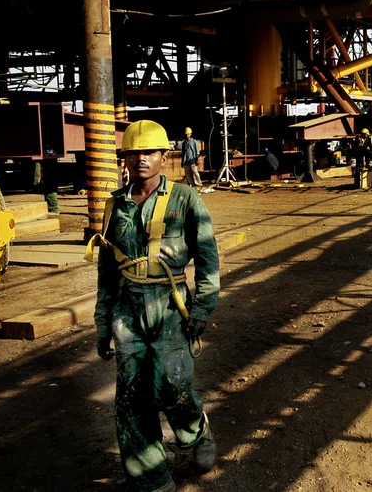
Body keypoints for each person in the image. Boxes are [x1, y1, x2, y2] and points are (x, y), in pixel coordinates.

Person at [88, 119, 220, 492]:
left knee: (173, 386)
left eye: (149, 152)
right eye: (134, 153)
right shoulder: (114, 206)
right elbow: (106, 272)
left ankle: (196, 432)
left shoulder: (186, 199)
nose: (141, 159)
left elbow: (207, 257)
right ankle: (153, 479)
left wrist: (202, 308)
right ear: (125, 158)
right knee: (132, 397)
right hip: (127, 311)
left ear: (164, 156)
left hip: (170, 307)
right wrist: (103, 324)